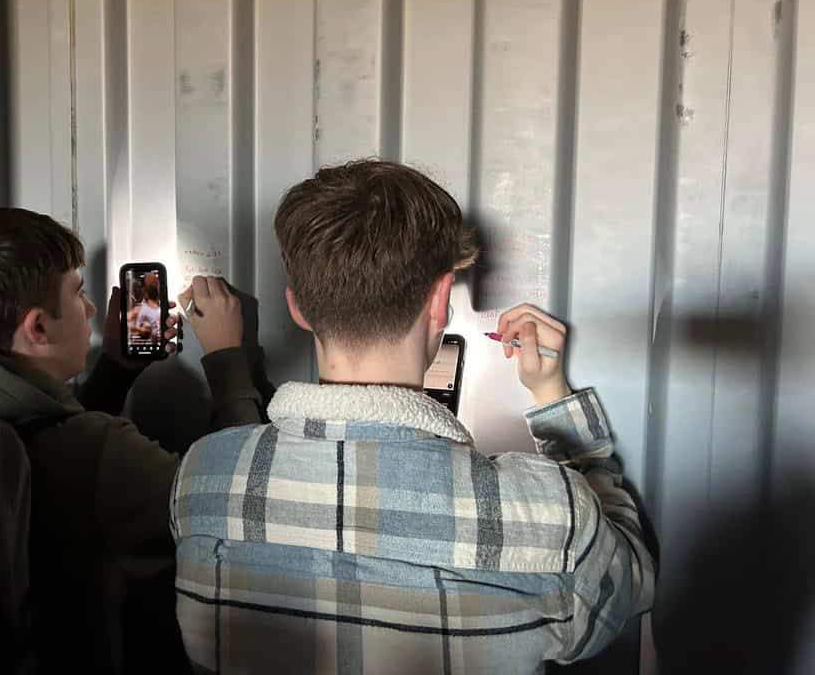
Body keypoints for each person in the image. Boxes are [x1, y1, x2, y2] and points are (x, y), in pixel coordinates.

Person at [170, 160, 657, 673]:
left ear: (299, 308)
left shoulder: (201, 478)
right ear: (440, 300)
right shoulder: (546, 514)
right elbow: (632, 585)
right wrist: (559, 411)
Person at [0, 207, 269, 673]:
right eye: (78, 293)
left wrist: (114, 371)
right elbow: (239, 513)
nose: (92, 309)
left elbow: (50, 435)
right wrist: (228, 361)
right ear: (38, 327)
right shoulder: (98, 452)